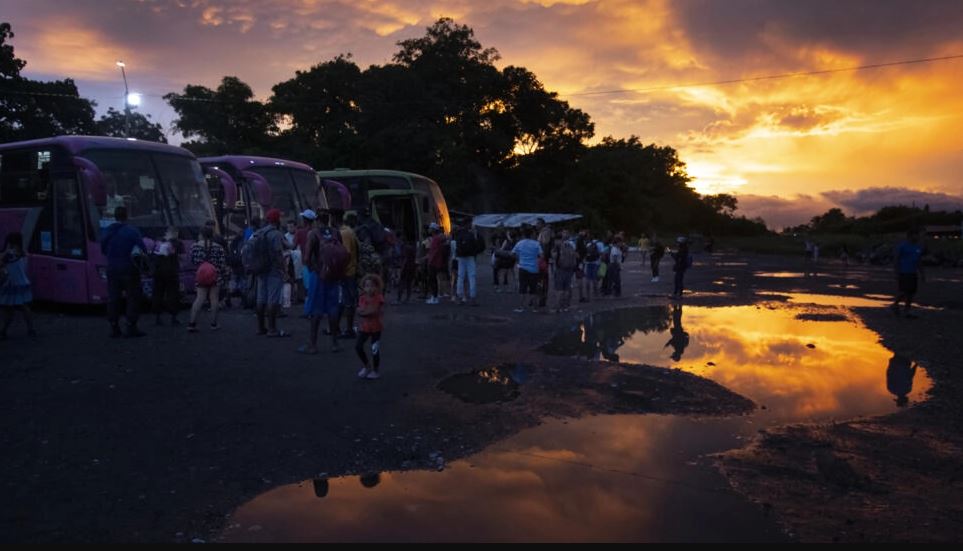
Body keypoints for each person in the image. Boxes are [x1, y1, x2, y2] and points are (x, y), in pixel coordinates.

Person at [100, 206, 148, 338]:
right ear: (127, 216)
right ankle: (131, 325)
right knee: (133, 297)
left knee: (113, 298)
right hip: (129, 268)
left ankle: (114, 326)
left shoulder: (107, 231)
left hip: (112, 268)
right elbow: (143, 248)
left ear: (115, 216)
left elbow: (103, 248)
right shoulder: (132, 231)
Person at [300, 225, 346, 354]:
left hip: (319, 276)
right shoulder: (336, 232)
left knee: (316, 310)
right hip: (334, 276)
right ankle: (335, 343)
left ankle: (313, 345)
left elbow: (307, 258)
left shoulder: (313, 233)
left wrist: (313, 270)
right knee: (333, 309)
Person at [254, 208, 290, 337]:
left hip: (260, 269)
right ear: (277, 220)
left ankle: (260, 328)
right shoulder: (276, 234)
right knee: (272, 299)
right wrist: (284, 270)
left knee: (260, 298)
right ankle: (272, 329)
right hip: (274, 270)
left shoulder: (259, 233)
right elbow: (278, 254)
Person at [187, 225, 228, 332]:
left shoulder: (195, 246)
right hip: (215, 275)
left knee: (199, 298)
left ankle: (192, 323)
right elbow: (222, 263)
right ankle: (214, 324)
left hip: (201, 274)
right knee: (214, 299)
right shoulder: (218, 247)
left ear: (201, 235)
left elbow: (193, 261)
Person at [0, 232, 36, 339]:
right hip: (22, 283)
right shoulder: (24, 253)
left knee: (8, 308)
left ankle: (4, 330)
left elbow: (1, 263)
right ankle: (31, 329)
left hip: (11, 284)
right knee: (24, 307)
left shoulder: (9, 254)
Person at [355, 273, 386, 380]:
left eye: (372, 286)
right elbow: (360, 310)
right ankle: (366, 366)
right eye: (367, 286)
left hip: (376, 328)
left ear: (377, 287)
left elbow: (373, 310)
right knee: (358, 346)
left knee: (374, 349)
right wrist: (363, 311)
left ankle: (375, 370)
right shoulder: (362, 298)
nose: (369, 288)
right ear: (363, 287)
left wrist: (363, 312)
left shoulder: (379, 298)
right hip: (365, 327)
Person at [151, 226, 183, 326]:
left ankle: (157, 317)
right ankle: (173, 317)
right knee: (173, 293)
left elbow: (153, 256)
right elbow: (182, 257)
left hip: (158, 271)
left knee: (158, 293)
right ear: (175, 233)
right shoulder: (178, 243)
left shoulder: (157, 243)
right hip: (172, 271)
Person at [892, 229, 925, 318]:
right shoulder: (902, 246)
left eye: (918, 235)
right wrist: (896, 272)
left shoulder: (918, 247)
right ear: (910, 236)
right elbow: (896, 259)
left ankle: (907, 310)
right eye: (916, 235)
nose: (918, 237)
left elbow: (919, 261)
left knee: (912, 292)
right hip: (904, 272)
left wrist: (922, 273)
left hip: (913, 272)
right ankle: (895, 304)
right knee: (903, 291)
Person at [511, 226, 543, 313]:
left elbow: (513, 253)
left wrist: (519, 260)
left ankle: (521, 307)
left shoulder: (520, 243)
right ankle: (535, 308)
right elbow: (541, 256)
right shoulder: (536, 244)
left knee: (522, 288)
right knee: (534, 289)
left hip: (523, 267)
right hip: (533, 269)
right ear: (532, 234)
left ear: (524, 234)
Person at [453, 221, 483, 306]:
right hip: (470, 257)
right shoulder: (472, 234)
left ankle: (460, 296)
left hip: (461, 257)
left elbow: (457, 246)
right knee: (472, 276)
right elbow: (477, 246)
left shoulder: (459, 234)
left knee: (460, 276)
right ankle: (472, 298)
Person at [553, 230, 577, 312]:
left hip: (560, 269)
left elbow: (554, 257)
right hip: (569, 269)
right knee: (567, 289)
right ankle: (565, 306)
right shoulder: (571, 245)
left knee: (559, 290)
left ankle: (558, 307)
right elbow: (575, 257)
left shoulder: (558, 246)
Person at [425, 223, 447, 304]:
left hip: (433, 262)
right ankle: (434, 296)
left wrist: (429, 260)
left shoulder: (435, 239)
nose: (429, 230)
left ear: (433, 230)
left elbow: (434, 252)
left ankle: (434, 297)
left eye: (430, 228)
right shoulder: (438, 238)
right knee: (434, 279)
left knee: (432, 280)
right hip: (436, 261)